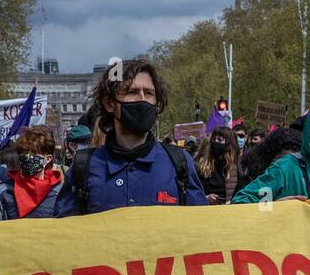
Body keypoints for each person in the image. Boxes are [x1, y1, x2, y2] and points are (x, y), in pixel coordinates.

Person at [55, 57, 207, 216]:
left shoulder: (179, 163)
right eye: (132, 92)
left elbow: (198, 229)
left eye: (149, 93)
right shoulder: (84, 167)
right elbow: (65, 233)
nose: (142, 99)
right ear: (109, 104)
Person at [0, 125, 65, 220]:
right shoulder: (1, 193)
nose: (28, 157)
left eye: (34, 153)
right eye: (23, 153)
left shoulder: (59, 193)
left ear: (48, 159)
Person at [237, 126, 302, 187]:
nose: (287, 165)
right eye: (282, 159)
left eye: (294, 160)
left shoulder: (300, 183)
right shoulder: (252, 183)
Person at [194, 126, 240, 203]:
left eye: (219, 140)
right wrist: (206, 198)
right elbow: (195, 190)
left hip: (229, 211)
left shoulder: (236, 166)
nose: (215, 142)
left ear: (228, 144)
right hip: (208, 210)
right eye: (213, 139)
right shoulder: (203, 165)